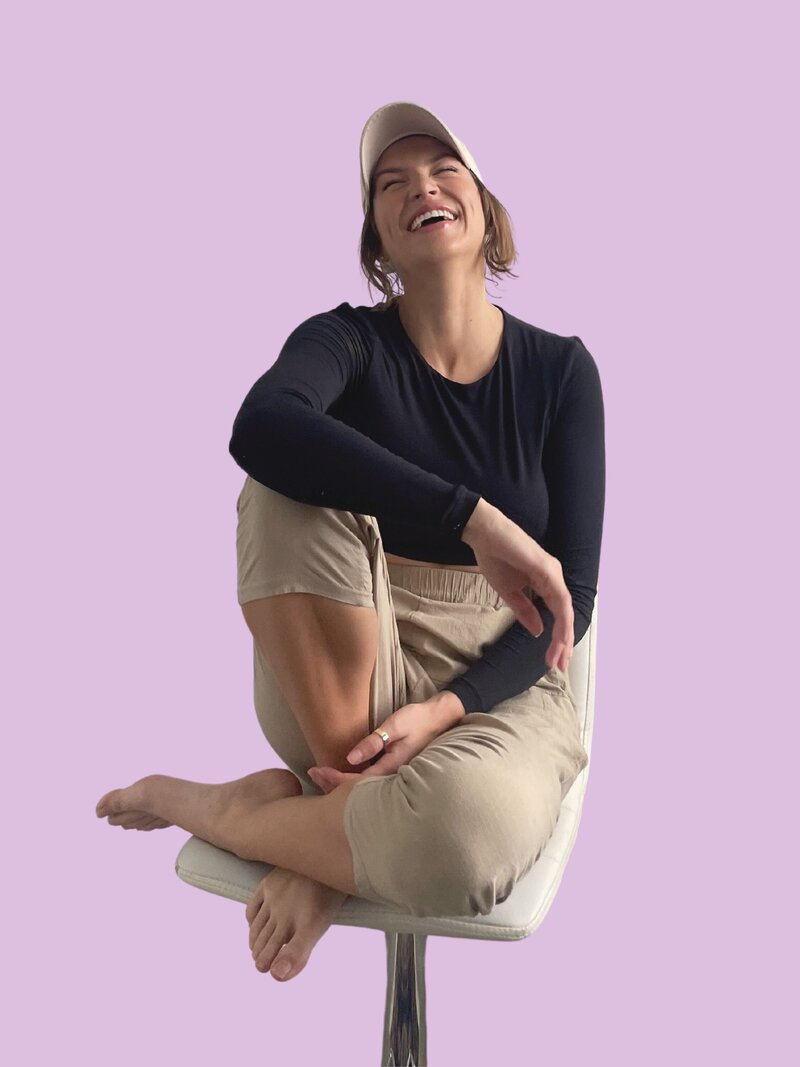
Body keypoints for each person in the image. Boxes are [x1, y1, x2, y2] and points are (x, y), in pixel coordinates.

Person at [95, 101, 605, 986]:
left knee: (463, 843)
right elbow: (261, 425)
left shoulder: (562, 372)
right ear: (376, 236)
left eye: (444, 170)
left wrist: (447, 709)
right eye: (391, 184)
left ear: (484, 207)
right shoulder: (346, 342)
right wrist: (470, 515)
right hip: (349, 654)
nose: (422, 189)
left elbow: (574, 600)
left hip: (504, 680)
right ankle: (354, 801)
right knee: (280, 486)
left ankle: (227, 811)